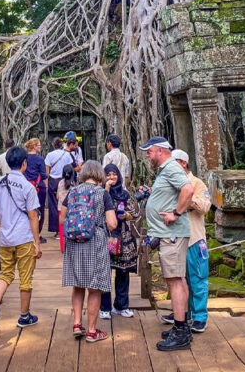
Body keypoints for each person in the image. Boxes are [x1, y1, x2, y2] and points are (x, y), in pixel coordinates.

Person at [0, 146, 43, 330]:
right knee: (25, 278)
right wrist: (37, 243)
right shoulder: (27, 187)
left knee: (5, 273)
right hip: (24, 237)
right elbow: (33, 216)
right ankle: (24, 316)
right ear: (24, 163)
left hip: (5, 238)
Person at [139, 136, 194, 351]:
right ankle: (182, 326)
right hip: (168, 234)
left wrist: (176, 213)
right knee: (177, 279)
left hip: (172, 234)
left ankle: (180, 332)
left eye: (149, 151)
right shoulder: (165, 170)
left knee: (174, 280)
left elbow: (188, 190)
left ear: (160, 150)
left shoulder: (171, 167)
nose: (147, 155)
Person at [59, 160, 117, 343]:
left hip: (73, 242)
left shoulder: (72, 192)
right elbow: (112, 223)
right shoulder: (102, 194)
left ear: (83, 173)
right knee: (95, 287)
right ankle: (92, 331)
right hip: (95, 241)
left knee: (78, 285)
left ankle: (77, 324)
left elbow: (61, 219)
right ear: (99, 174)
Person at [159, 149, 212, 333]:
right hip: (174, 238)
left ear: (183, 163)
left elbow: (205, 206)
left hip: (194, 239)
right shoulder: (170, 183)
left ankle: (200, 316)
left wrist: (187, 197)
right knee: (178, 278)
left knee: (197, 278)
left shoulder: (197, 183)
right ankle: (182, 313)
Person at [99, 163, 140, 320]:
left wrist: (127, 216)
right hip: (106, 236)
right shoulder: (101, 192)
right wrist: (106, 189)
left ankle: (121, 306)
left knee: (123, 272)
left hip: (123, 238)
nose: (111, 177)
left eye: (114, 174)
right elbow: (98, 209)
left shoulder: (125, 193)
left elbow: (134, 212)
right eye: (108, 174)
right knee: (105, 272)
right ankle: (104, 307)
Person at [23, 138, 48, 242]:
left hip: (26, 187)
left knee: (27, 209)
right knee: (40, 210)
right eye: (39, 145)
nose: (40, 147)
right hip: (38, 187)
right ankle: (37, 234)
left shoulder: (24, 158)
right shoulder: (40, 159)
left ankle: (27, 233)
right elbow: (43, 175)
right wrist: (46, 185)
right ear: (34, 146)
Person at [45, 137, 71, 235]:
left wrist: (48, 181)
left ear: (53, 145)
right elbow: (69, 168)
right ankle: (66, 227)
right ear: (61, 145)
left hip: (53, 180)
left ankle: (56, 229)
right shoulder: (66, 154)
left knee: (53, 205)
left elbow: (47, 171)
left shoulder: (49, 155)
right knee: (65, 203)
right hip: (64, 180)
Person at [56, 163, 78, 253]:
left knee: (62, 229)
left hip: (61, 208)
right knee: (72, 228)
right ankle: (71, 248)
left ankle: (63, 248)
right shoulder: (75, 184)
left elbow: (57, 196)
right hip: (72, 209)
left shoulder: (60, 182)